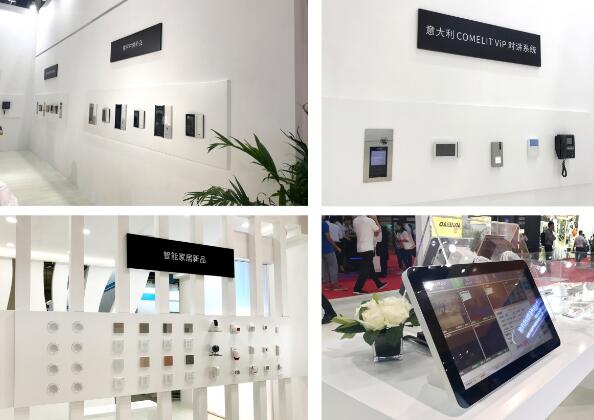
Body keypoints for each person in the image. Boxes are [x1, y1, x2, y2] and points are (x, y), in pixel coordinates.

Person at [352, 215, 387, 295]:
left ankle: (378, 284)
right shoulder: (369, 220)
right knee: (365, 269)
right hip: (368, 248)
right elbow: (378, 231)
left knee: (370, 267)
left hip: (360, 248)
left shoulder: (355, 220)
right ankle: (357, 288)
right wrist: (375, 219)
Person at [322, 218, 343, 291]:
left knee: (324, 267)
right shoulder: (324, 224)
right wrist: (336, 247)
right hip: (328, 248)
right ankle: (334, 284)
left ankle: (327, 284)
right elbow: (328, 237)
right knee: (333, 266)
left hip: (321, 249)